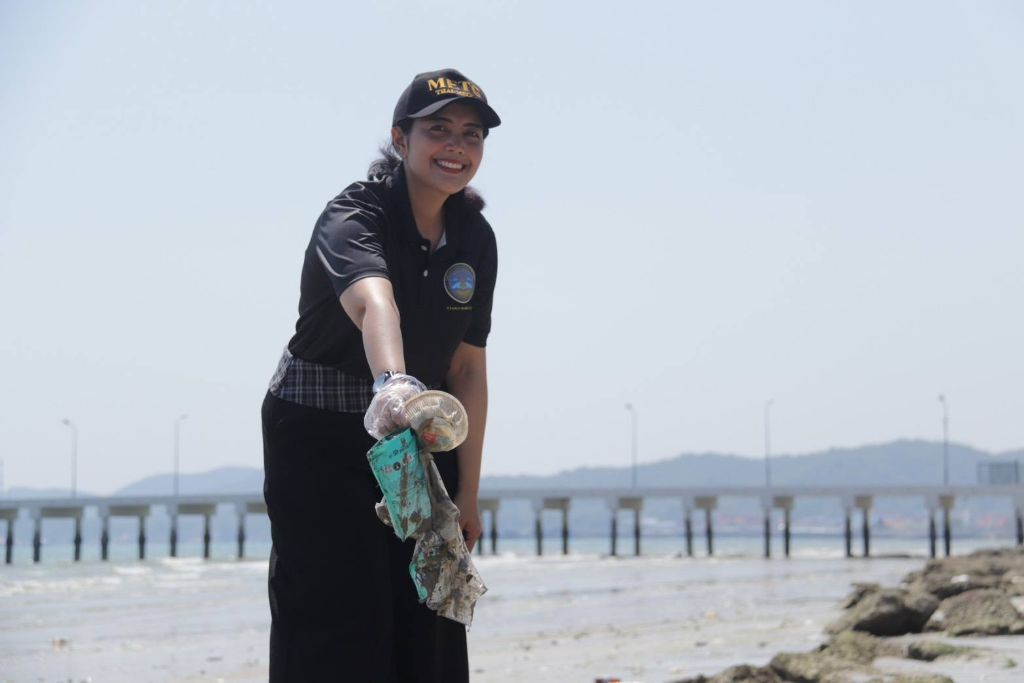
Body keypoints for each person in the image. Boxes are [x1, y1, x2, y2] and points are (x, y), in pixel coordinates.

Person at [260, 68, 500, 682]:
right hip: (318, 431)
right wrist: (392, 381)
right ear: (400, 139)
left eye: (471, 135)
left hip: (415, 437)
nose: (456, 146)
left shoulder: (474, 237)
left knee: (429, 607)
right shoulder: (355, 213)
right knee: (337, 611)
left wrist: (469, 492)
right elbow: (375, 302)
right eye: (438, 130)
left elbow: (467, 367)